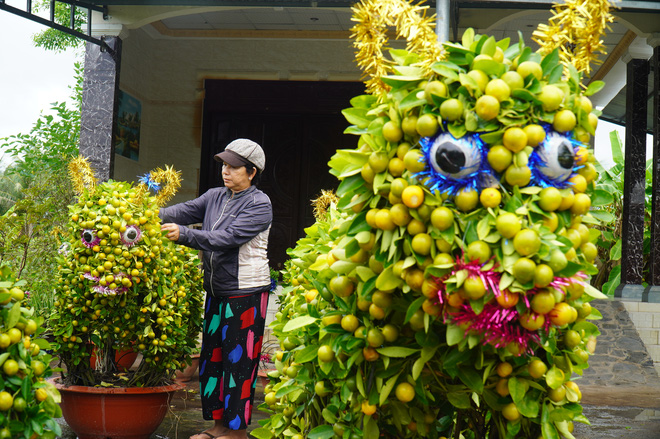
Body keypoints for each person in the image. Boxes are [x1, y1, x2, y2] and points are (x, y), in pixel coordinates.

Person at [160, 138, 273, 439]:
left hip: (245, 293)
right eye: (224, 164)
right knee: (213, 361)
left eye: (234, 167)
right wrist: (143, 213)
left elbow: (226, 238)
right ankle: (217, 427)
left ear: (251, 172)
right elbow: (181, 212)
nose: (226, 171)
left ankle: (237, 432)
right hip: (217, 292)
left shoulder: (259, 204)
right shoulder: (214, 196)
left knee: (239, 363)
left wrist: (184, 235)